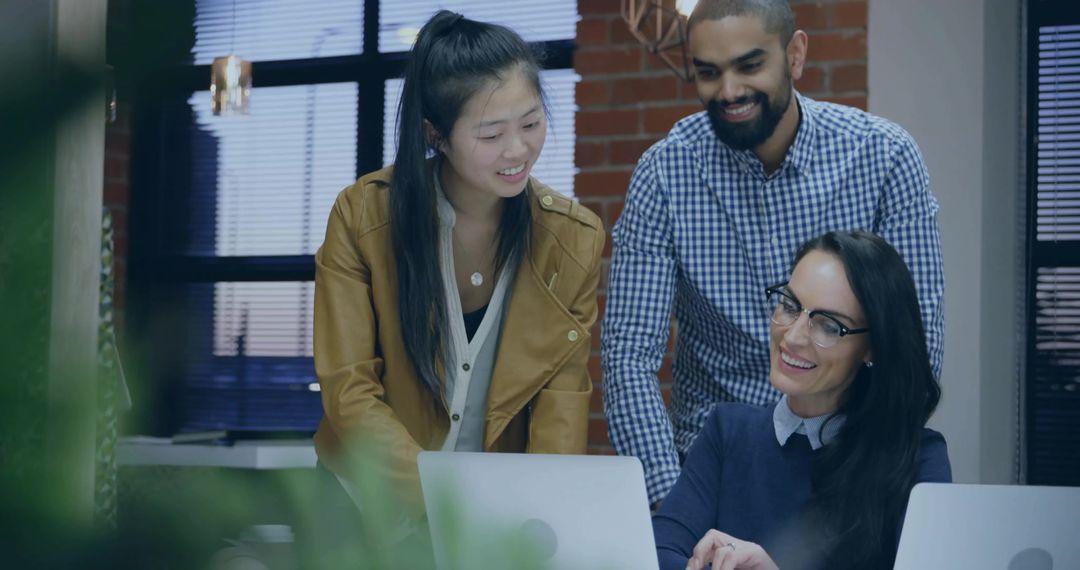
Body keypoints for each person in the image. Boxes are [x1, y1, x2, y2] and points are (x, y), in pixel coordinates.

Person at [601, 0, 945, 505]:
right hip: (711, 465)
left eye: (750, 65)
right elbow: (628, 357)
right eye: (709, 73)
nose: (729, 91)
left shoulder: (883, 156)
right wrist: (673, 503)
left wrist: (859, 481)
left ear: (795, 55)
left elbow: (916, 345)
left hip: (851, 459)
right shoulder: (665, 173)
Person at [311, 10, 604, 523]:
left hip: (489, 522)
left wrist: (537, 522)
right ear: (437, 134)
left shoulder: (573, 240)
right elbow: (349, 389)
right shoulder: (361, 216)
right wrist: (447, 503)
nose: (518, 150)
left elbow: (559, 411)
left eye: (531, 123)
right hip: (359, 508)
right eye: (491, 135)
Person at [653, 230, 951, 570]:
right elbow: (659, 553)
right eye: (791, 306)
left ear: (872, 346)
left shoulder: (918, 458)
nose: (793, 336)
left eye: (827, 325)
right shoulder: (727, 431)